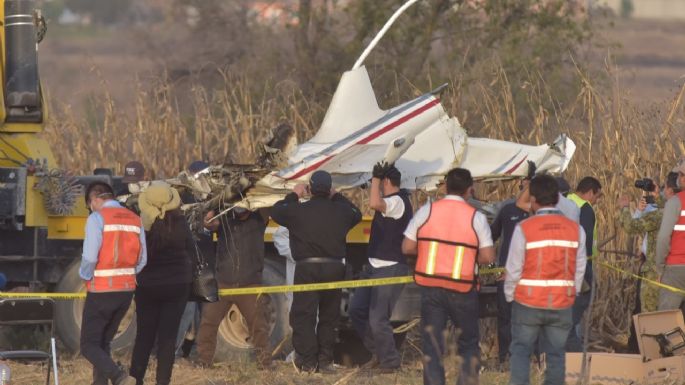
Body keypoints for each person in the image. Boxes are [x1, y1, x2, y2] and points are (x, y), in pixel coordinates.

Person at [402, 168, 495, 385]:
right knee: (469, 344)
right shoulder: (476, 217)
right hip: (463, 288)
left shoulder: (427, 211)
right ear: (469, 190)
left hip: (431, 287)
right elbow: (488, 256)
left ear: (444, 187)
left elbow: (407, 247)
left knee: (432, 345)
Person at [271, 170, 362, 373]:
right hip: (334, 267)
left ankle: (307, 361)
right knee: (329, 316)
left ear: (310, 189)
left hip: (307, 268)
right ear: (329, 189)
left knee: (304, 315)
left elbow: (276, 212)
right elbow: (357, 214)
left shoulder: (298, 210)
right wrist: (336, 195)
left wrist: (294, 194)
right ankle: (325, 360)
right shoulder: (341, 211)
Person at [505, 175, 586, 385]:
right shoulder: (576, 229)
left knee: (521, 351)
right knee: (557, 355)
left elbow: (514, 267)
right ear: (557, 199)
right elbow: (580, 266)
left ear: (533, 200)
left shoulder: (524, 228)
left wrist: (509, 294)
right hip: (561, 303)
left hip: (527, 302)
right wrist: (573, 291)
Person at [79, 181, 147, 385]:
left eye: (90, 204)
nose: (91, 208)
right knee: (103, 342)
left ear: (96, 199)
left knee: (89, 346)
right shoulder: (136, 219)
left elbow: (90, 257)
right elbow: (142, 259)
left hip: (101, 290)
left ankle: (119, 377)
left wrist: (85, 276)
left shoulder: (96, 218)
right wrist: (126, 275)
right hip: (126, 291)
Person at [349, 163, 413, 373]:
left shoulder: (398, 202)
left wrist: (374, 178)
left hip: (390, 268)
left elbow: (375, 203)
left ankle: (390, 363)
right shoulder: (393, 201)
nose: (374, 187)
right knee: (357, 310)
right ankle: (380, 353)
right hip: (373, 267)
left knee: (378, 318)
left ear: (386, 182)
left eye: (377, 183)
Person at [128, 184, 193, 385]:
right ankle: (163, 381)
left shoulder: (142, 226)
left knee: (144, 337)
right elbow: (191, 251)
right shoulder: (181, 223)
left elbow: (135, 255)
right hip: (177, 285)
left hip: (147, 286)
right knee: (168, 338)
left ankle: (136, 379)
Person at [195, 206, 272, 369]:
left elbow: (267, 204)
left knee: (259, 325)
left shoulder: (258, 220)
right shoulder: (225, 220)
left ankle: (264, 364)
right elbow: (209, 223)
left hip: (250, 284)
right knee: (208, 323)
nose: (239, 210)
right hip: (224, 282)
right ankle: (204, 361)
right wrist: (212, 212)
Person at [618, 172, 679, 352]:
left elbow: (631, 227)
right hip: (675, 270)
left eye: (663, 189)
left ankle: (650, 355)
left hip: (655, 271)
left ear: (668, 190)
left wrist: (623, 208)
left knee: (649, 316)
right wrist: (652, 195)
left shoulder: (661, 215)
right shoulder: (678, 209)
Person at [491, 184, 530, 368]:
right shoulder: (507, 210)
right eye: (524, 186)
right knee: (506, 319)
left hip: (529, 277)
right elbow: (490, 236)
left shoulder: (538, 214)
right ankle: (504, 358)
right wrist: (493, 266)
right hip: (505, 276)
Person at [565, 176, 602, 351]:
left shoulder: (566, 200)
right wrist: (586, 264)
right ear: (589, 193)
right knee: (578, 304)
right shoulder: (585, 208)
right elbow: (585, 238)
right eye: (597, 196)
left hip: (564, 263)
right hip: (581, 263)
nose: (596, 201)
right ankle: (574, 346)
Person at [657, 160, 685, 311]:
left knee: (667, 318)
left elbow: (663, 238)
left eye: (681, 175)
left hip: (676, 269)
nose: (679, 178)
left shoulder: (675, 202)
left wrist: (660, 267)